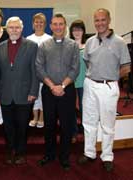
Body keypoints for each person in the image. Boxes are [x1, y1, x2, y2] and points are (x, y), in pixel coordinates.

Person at [77, 8, 131, 172]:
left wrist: (112, 76)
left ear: (109, 20)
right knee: (88, 121)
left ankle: (107, 156)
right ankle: (89, 152)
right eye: (97, 20)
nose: (100, 23)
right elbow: (87, 62)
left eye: (103, 20)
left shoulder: (120, 42)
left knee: (107, 125)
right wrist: (96, 75)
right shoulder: (90, 41)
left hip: (109, 87)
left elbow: (127, 67)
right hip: (90, 84)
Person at [36, 14, 79, 170]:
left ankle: (64, 157)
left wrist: (62, 85)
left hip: (67, 91)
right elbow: (39, 68)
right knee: (49, 124)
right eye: (55, 24)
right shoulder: (44, 45)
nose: (58, 27)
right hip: (49, 90)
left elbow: (75, 69)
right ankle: (49, 154)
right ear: (51, 26)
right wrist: (52, 86)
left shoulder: (73, 45)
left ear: (65, 25)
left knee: (66, 125)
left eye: (61, 24)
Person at [0, 16, 39, 165]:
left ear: (21, 29)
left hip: (25, 94)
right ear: (6, 29)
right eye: (11, 28)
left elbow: (35, 71)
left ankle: (21, 152)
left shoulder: (32, 46)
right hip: (6, 94)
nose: (14, 30)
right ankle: (10, 151)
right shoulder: (0, 47)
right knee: (8, 126)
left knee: (22, 126)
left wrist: (33, 91)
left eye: (17, 27)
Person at [27, 12, 52, 128]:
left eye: (41, 22)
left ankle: (42, 117)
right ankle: (34, 117)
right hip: (32, 72)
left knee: (43, 95)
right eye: (36, 22)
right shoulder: (28, 39)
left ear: (45, 24)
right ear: (33, 24)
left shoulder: (49, 38)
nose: (39, 24)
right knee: (34, 94)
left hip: (45, 72)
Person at [69, 19, 87, 141]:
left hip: (84, 82)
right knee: (70, 108)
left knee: (84, 107)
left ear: (83, 31)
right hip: (70, 81)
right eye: (74, 30)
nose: (77, 32)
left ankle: (86, 131)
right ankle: (73, 132)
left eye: (79, 29)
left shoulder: (88, 45)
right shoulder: (68, 45)